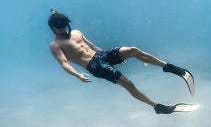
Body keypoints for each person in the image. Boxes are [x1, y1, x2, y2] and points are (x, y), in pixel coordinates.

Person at [48, 10, 199, 114]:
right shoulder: (56, 46)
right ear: (53, 29)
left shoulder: (76, 32)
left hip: (102, 55)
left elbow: (92, 46)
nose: (63, 28)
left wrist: (115, 58)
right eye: (59, 27)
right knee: (129, 84)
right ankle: (158, 107)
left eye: (64, 25)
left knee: (133, 50)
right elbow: (64, 64)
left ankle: (169, 67)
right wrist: (78, 76)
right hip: (94, 66)